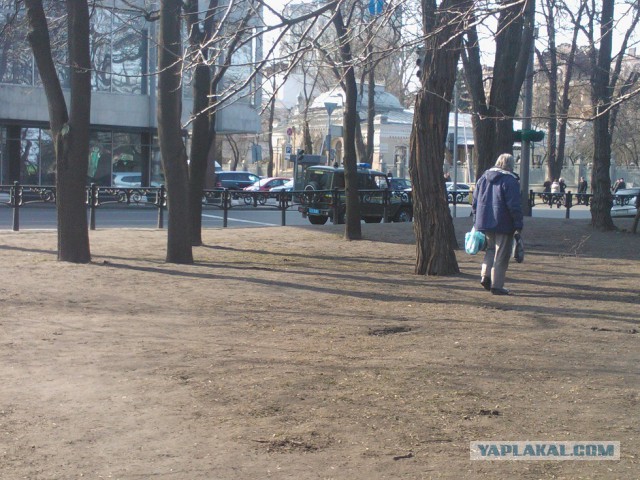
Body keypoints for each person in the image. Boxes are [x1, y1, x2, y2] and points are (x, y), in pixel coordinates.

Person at [472, 153, 524, 295]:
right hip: (503, 221)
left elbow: (475, 200)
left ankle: (485, 275)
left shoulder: (483, 178)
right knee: (501, 254)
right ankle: (497, 285)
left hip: (484, 220)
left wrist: (476, 219)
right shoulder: (510, 180)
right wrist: (518, 224)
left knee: (490, 249)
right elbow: (514, 206)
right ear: (511, 165)